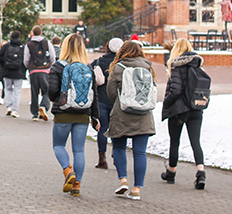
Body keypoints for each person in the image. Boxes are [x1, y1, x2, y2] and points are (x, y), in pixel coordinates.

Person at [46, 33, 99, 197]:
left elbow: (52, 92)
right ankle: (77, 186)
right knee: (79, 151)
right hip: (83, 114)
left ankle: (68, 171)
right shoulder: (88, 68)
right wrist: (95, 117)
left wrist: (56, 99)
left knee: (58, 145)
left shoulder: (58, 67)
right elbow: (94, 94)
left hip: (63, 113)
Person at [106, 40, 156, 200]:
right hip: (144, 115)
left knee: (119, 148)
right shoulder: (148, 67)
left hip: (122, 114)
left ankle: (123, 180)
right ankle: (137, 189)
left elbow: (111, 93)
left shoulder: (119, 67)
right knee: (140, 152)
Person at [160, 37, 207, 189]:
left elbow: (175, 90)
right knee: (195, 142)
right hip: (196, 110)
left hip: (178, 111)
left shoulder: (176, 66)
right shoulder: (198, 66)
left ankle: (171, 172)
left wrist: (166, 102)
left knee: (175, 142)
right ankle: (201, 173)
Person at [92, 37, 124, 169]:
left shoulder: (99, 62)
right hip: (118, 101)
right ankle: (117, 156)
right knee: (117, 130)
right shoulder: (123, 63)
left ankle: (102, 158)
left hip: (102, 100)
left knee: (103, 129)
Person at [24, 25, 56, 121]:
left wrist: (29, 67)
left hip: (33, 71)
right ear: (41, 33)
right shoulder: (47, 43)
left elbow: (26, 59)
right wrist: (49, 66)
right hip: (45, 71)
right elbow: (52, 56)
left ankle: (34, 113)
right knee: (46, 91)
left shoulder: (29, 44)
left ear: (32, 33)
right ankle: (44, 106)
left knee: (34, 92)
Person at [0, 30, 26, 117]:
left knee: (7, 89)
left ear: (11, 37)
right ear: (19, 37)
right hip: (18, 72)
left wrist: (1, 69)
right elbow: (25, 60)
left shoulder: (6, 46)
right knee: (17, 91)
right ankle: (15, 110)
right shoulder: (22, 47)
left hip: (7, 71)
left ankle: (9, 107)